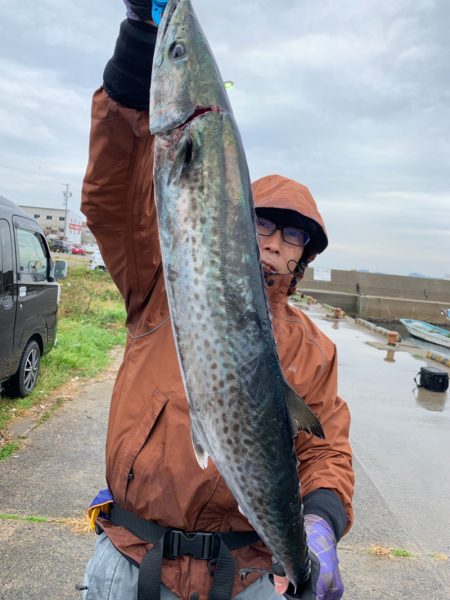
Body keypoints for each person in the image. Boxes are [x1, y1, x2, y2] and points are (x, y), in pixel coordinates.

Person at [79, 2, 354, 599]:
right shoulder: (159, 287)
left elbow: (326, 449)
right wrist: (141, 38)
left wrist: (319, 526)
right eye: (263, 225)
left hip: (245, 576)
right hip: (132, 561)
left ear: (303, 258)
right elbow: (111, 195)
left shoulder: (314, 350)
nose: (276, 244)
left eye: (294, 236)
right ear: (232, 216)